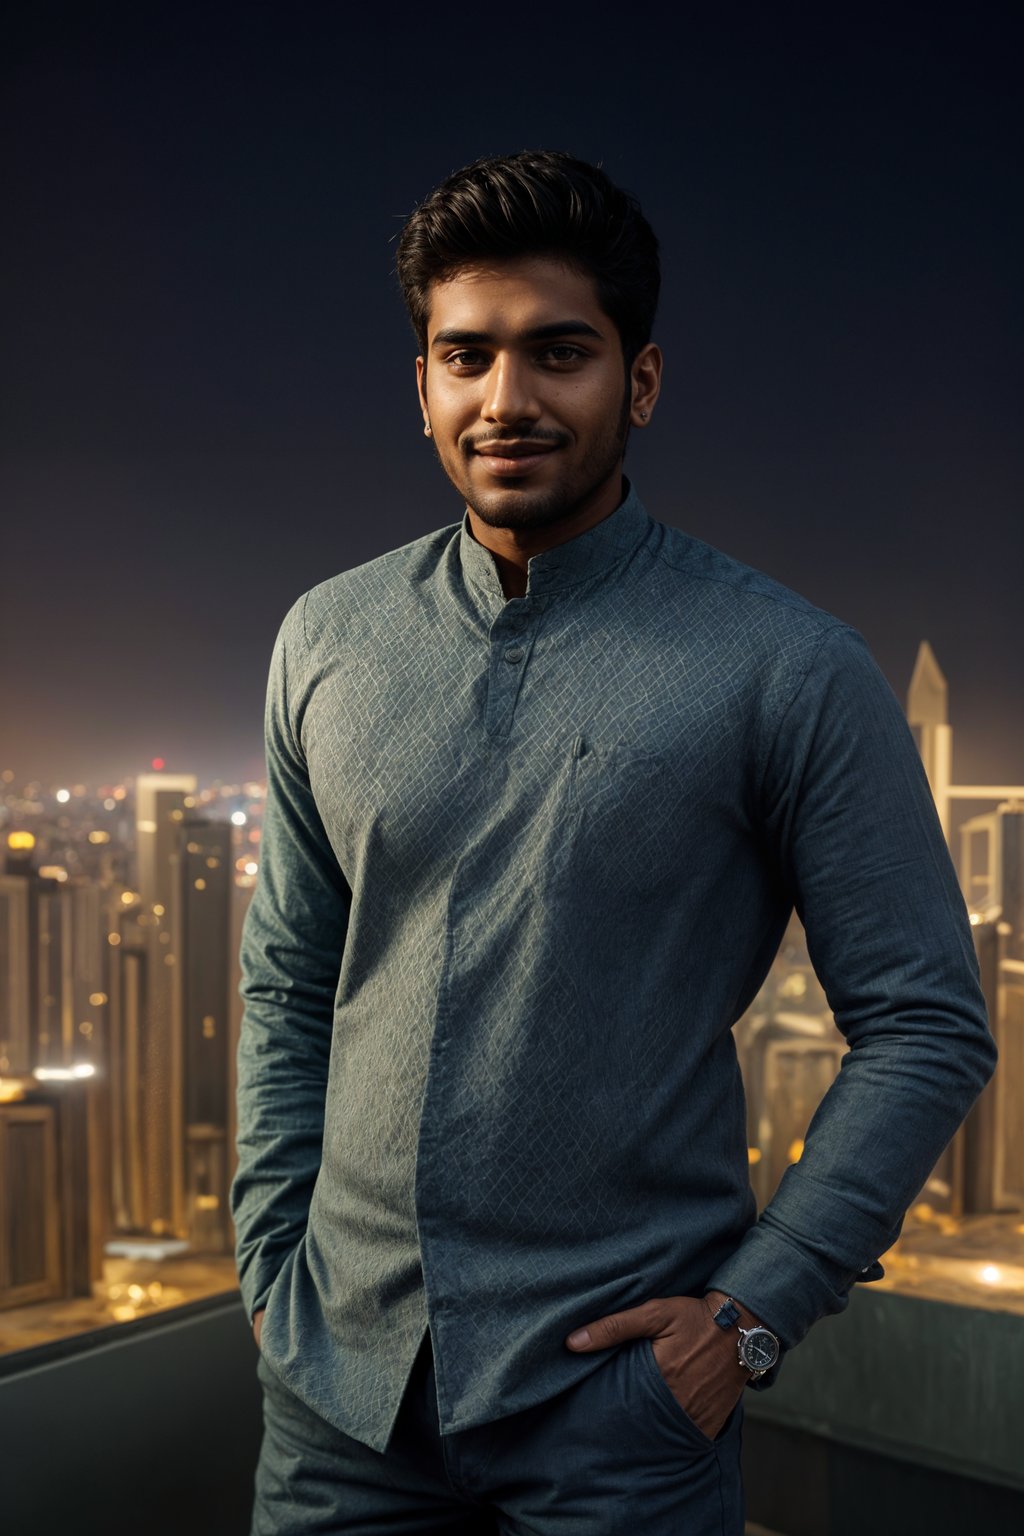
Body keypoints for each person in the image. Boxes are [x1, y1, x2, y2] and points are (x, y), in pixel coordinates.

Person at [230, 150, 997, 1534]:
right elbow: (289, 981)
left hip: (619, 1428)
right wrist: (273, 1264)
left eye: (559, 354)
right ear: (422, 388)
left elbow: (928, 1019)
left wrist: (749, 1319)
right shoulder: (323, 640)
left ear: (639, 382)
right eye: (465, 356)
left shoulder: (787, 666)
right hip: (337, 1407)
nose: (507, 399)